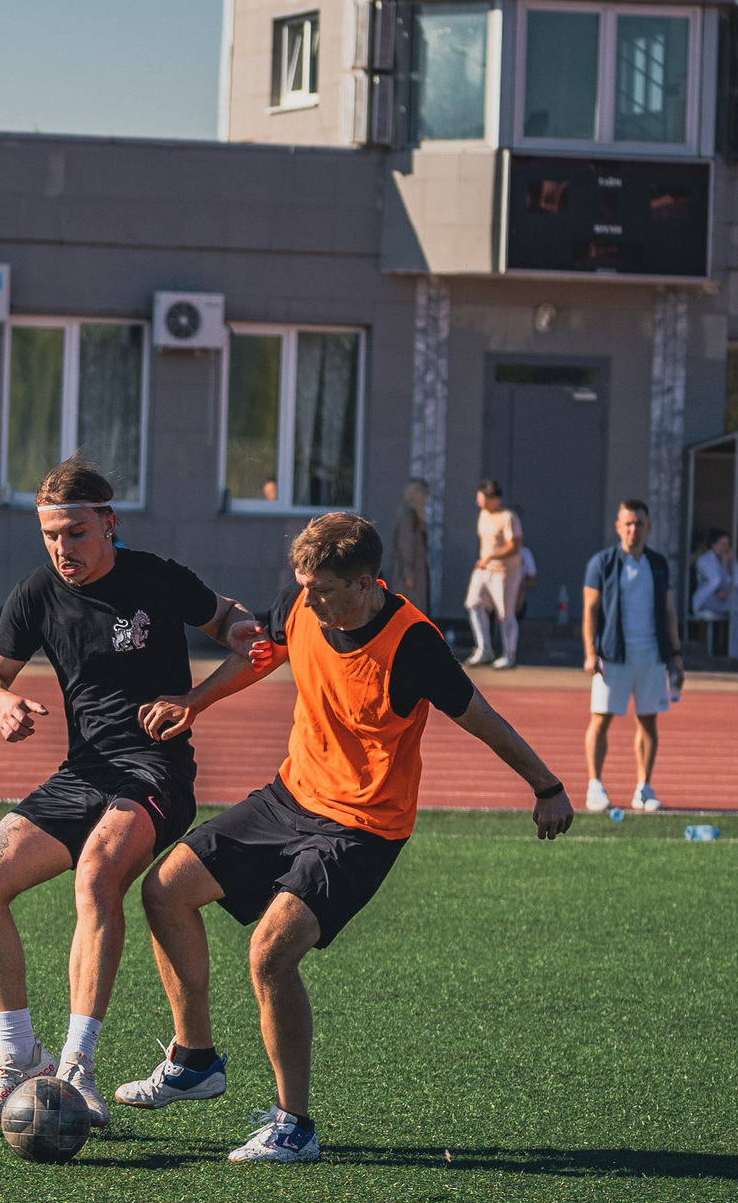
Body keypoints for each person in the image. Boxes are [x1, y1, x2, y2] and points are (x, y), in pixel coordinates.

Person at [122, 512, 574, 1163]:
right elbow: (263, 653)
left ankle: (293, 1124)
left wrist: (546, 785)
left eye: (324, 589)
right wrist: (194, 701)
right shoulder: (304, 600)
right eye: (303, 585)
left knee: (270, 953)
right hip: (291, 794)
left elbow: (483, 719)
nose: (307, 601)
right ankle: (195, 1058)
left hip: (363, 825)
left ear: (366, 583)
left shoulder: (413, 645)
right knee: (164, 888)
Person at [0, 458, 263, 1135]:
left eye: (74, 533)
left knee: (97, 875)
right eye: (51, 537)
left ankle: (75, 1066)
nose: (63, 549)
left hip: (156, 771)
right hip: (83, 772)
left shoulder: (157, 577)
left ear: (108, 522)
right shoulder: (37, 593)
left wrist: (198, 694)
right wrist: (3, 703)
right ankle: (18, 1059)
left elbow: (242, 633)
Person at [581, 499, 681, 815]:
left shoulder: (659, 564)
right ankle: (595, 785)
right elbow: (590, 610)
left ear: (648, 526)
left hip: (651, 656)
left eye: (638, 523)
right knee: (601, 719)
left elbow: (669, 610)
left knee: (648, 722)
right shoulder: (602, 563)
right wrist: (590, 652)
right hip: (613, 655)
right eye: (627, 523)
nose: (633, 529)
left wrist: (676, 655)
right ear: (618, 526)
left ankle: (644, 787)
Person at [463, 479, 524, 669]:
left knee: (505, 613)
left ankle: (509, 654)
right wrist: (486, 559)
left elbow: (515, 546)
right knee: (473, 604)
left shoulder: (508, 517)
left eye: (481, 498)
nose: (478, 502)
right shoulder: (483, 515)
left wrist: (491, 556)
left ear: (493, 499)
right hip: (483, 570)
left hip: (504, 572)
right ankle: (484, 649)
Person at [693, 531, 738, 666]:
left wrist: (726, 589)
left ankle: (737, 659)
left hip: (727, 600)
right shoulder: (704, 560)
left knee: (736, 611)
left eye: (728, 544)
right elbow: (717, 584)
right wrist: (725, 567)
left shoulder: (730, 559)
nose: (726, 547)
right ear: (713, 545)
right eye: (723, 543)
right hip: (708, 600)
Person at [390, 477, 431, 607]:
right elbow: (406, 546)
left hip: (413, 571)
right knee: (410, 608)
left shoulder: (411, 516)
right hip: (410, 574)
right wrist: (409, 574)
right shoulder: (409, 516)